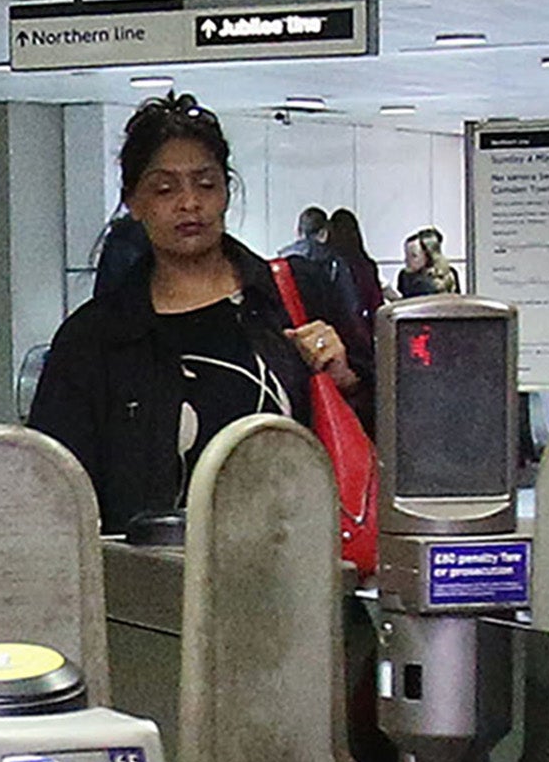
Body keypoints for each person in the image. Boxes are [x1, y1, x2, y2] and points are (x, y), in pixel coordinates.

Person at [29, 92, 363, 533]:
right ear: (134, 201)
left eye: (205, 184)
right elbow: (55, 489)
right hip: (151, 586)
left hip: (294, 572)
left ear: (226, 189)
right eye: (165, 189)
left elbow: (378, 440)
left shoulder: (293, 295)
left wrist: (347, 380)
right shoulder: (96, 340)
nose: (189, 203)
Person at [398, 226, 461, 297]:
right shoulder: (405, 277)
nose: (406, 260)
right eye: (406, 255)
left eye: (414, 256)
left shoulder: (450, 274)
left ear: (429, 255)